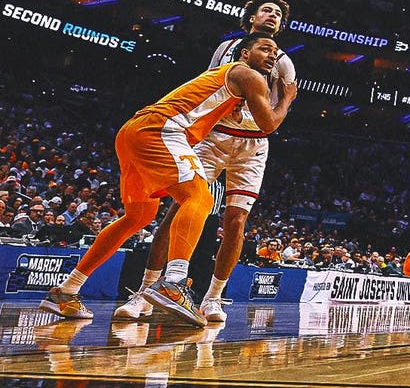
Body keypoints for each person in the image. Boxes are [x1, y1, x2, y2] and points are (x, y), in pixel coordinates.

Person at [40, 35, 294, 326]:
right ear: (244, 53)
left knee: (138, 217)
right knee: (199, 198)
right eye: (265, 49)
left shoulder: (228, 79)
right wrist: (287, 97)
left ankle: (66, 290)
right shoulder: (248, 75)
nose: (272, 55)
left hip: (133, 130)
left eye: (275, 51)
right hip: (162, 130)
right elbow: (268, 124)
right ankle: (173, 283)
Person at [115, 0, 295, 323]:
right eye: (266, 11)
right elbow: (210, 86)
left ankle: (213, 298)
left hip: (253, 144)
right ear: (251, 18)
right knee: (179, 208)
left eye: (278, 15)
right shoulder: (225, 49)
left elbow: (278, 110)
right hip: (215, 135)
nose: (272, 16)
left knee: (235, 221)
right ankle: (146, 291)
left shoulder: (283, 61)